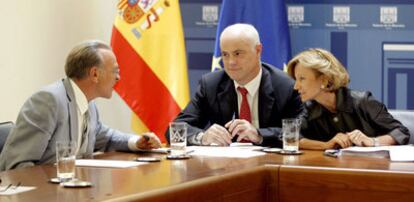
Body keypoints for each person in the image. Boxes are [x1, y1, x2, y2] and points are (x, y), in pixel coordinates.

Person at [0, 40, 161, 171]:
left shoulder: (88, 104)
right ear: (95, 74)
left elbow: (104, 137)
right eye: (115, 71)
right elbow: (17, 165)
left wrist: (136, 142)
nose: (118, 78)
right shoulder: (49, 100)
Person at [166, 23, 303, 147]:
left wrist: (259, 134)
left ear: (258, 50)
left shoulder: (285, 86)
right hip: (227, 168)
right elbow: (175, 129)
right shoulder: (211, 85)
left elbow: (302, 131)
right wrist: (202, 137)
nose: (231, 62)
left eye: (238, 54)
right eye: (225, 55)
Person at [287, 48, 410, 150]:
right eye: (295, 79)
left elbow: (401, 132)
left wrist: (372, 141)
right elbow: (288, 137)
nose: (295, 86)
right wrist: (325, 145)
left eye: (302, 79)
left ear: (324, 79)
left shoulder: (362, 101)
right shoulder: (308, 108)